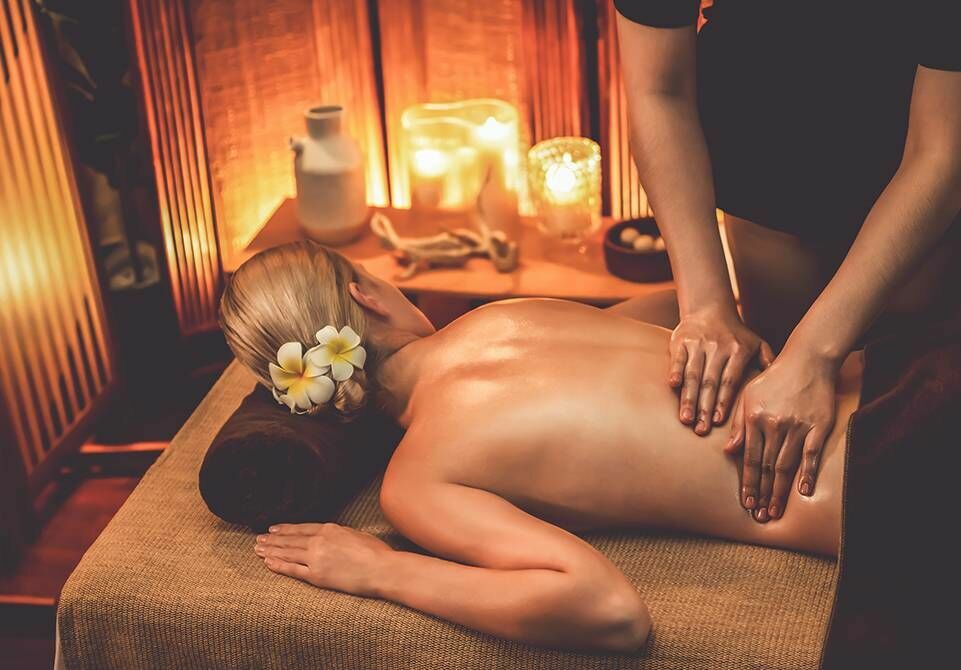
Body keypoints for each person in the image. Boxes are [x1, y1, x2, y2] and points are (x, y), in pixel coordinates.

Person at [220, 242, 862, 652]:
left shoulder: (417, 479)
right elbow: (669, 312)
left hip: (872, 482)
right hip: (884, 380)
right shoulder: (501, 316)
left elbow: (613, 612)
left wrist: (382, 570)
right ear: (366, 295)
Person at [614, 0, 961, 523]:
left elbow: (940, 153)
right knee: (774, 380)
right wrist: (706, 304)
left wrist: (815, 353)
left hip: (916, 222)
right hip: (764, 188)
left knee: (904, 417)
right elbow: (657, 90)